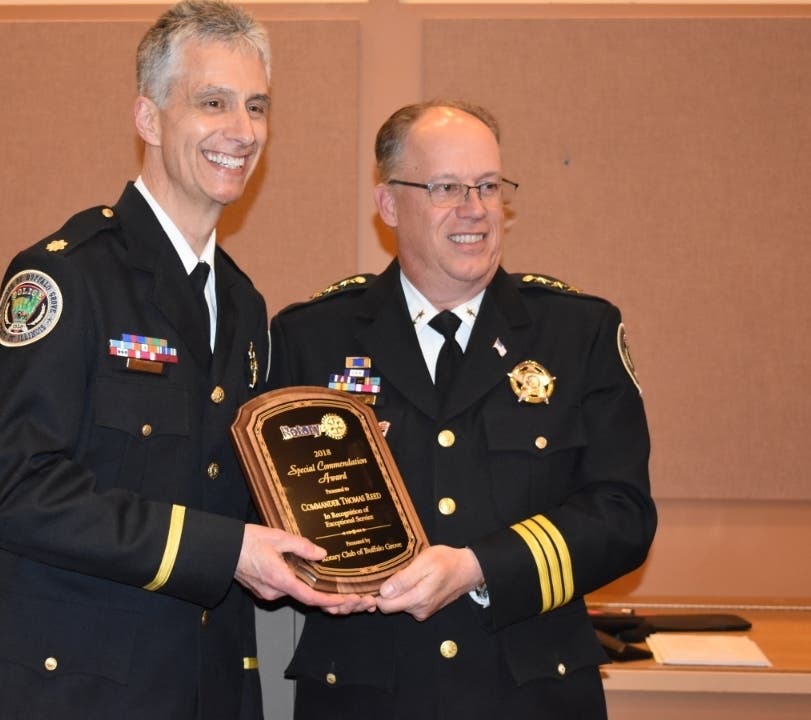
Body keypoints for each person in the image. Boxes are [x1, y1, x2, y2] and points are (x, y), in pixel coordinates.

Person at [0, 0, 362, 720]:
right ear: (148, 118)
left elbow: (227, 490)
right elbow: (16, 490)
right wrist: (226, 549)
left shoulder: (242, 305)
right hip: (71, 691)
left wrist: (339, 506)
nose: (241, 132)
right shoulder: (65, 279)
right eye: (212, 103)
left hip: (205, 686)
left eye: (257, 107)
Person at [268, 99, 657, 718]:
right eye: (447, 187)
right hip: (368, 694)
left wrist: (479, 567)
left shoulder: (577, 333)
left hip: (531, 694)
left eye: (489, 186)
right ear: (389, 204)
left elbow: (623, 515)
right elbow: (268, 515)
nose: (474, 208)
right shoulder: (311, 338)